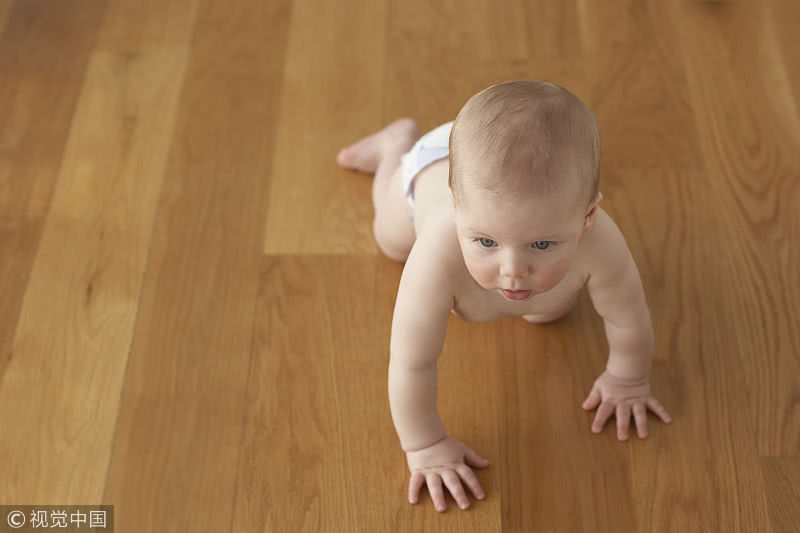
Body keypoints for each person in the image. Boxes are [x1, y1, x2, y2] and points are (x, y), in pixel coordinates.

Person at [336, 80, 673, 513]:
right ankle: (393, 148)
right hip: (432, 165)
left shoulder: (602, 241)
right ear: (457, 209)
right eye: (485, 241)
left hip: (487, 176)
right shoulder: (436, 252)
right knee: (390, 241)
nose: (512, 270)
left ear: (587, 216)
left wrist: (628, 378)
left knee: (548, 310)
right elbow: (411, 362)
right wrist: (425, 444)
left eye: (542, 244)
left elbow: (627, 316)